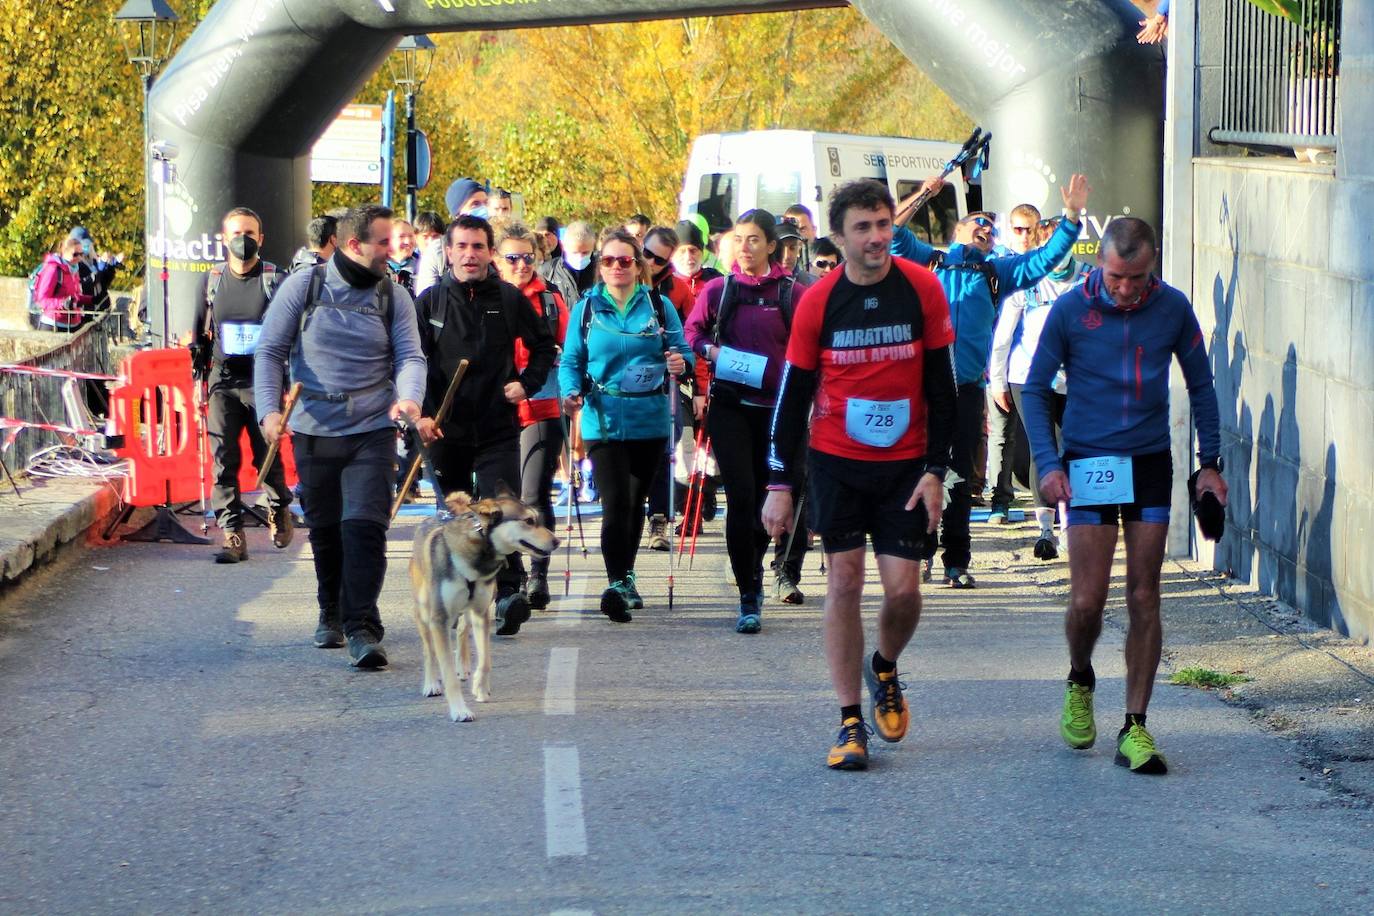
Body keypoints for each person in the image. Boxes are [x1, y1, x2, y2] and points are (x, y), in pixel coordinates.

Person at [763, 179, 957, 771]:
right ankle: (849, 721)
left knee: (904, 592)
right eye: (863, 228)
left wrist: (936, 471)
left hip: (904, 466)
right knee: (843, 584)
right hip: (837, 462)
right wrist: (778, 484)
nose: (877, 237)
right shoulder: (819, 301)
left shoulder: (922, 288)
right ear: (839, 238)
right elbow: (792, 397)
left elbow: (943, 388)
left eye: (883, 224)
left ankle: (885, 666)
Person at [1021, 217, 1225, 775]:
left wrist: (1210, 465)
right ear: (1100, 264)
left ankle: (1135, 725)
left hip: (1149, 462)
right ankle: (1081, 677)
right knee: (1087, 600)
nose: (1126, 289)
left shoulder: (1173, 309)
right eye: (1116, 276)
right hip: (1088, 463)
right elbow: (1035, 389)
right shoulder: (1070, 310)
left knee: (1144, 596)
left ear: (1153, 262)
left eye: (1137, 277)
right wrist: (1048, 463)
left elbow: (1202, 384)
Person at [891, 175, 1091, 589]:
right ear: (956, 232)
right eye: (976, 223)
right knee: (921, 472)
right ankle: (920, 553)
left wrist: (1071, 218)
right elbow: (892, 230)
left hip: (965, 389)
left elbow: (1045, 259)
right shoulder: (931, 260)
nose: (984, 229)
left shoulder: (998, 271)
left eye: (989, 228)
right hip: (924, 386)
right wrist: (927, 192)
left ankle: (956, 561)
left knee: (960, 476)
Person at [254, 204, 426, 668]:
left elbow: (412, 357)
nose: (394, 250)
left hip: (372, 427)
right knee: (327, 531)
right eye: (384, 243)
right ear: (354, 245)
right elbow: (269, 351)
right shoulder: (302, 286)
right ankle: (330, 607)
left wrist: (409, 400)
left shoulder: (395, 297)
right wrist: (269, 412)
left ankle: (362, 626)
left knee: (366, 527)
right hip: (313, 428)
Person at [413, 214, 557, 636]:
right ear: (449, 251)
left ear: (489, 253)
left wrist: (525, 385)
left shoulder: (509, 299)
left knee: (500, 510)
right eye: (462, 246)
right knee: (456, 519)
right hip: (444, 429)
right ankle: (456, 594)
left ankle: (509, 593)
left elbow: (545, 347)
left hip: (497, 426)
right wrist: (421, 413)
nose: (470, 255)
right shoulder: (429, 302)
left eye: (478, 247)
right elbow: (411, 361)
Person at [559, 228, 693, 622]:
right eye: (608, 261)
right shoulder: (586, 308)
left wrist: (677, 364)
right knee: (615, 502)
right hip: (602, 417)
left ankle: (627, 574)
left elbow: (682, 351)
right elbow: (571, 361)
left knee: (635, 504)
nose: (617, 267)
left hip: (648, 418)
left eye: (625, 260)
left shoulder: (657, 305)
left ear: (638, 266)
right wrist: (570, 392)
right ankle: (616, 581)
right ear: (600, 266)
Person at [685, 209, 809, 631]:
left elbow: (812, 345)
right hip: (731, 407)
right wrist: (713, 354)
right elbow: (693, 335)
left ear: (772, 246)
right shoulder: (719, 290)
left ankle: (758, 564)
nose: (745, 247)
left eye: (754, 239)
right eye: (739, 239)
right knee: (741, 497)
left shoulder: (792, 293)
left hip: (779, 411)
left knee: (765, 500)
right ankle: (748, 593)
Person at [190, 207, 293, 563]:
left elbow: (291, 332)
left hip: (262, 379)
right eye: (236, 233)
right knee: (223, 456)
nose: (243, 240)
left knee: (266, 451)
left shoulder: (275, 280)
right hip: (222, 378)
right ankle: (232, 534)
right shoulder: (212, 280)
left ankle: (279, 505)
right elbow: (198, 337)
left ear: (261, 239)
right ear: (223, 238)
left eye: (250, 233)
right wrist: (197, 379)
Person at [990, 217, 1091, 560]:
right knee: (1041, 449)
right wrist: (998, 381)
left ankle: (1070, 525)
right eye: (1049, 248)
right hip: (1028, 378)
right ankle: (1045, 531)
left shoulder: (1089, 278)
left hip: (1074, 380)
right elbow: (1003, 336)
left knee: (1072, 449)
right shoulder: (1027, 281)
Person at [494, 221, 569, 610]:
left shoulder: (550, 300)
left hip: (541, 404)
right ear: (497, 260)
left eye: (528, 257)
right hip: (496, 411)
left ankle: (538, 576)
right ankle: (514, 575)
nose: (521, 265)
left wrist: (560, 365)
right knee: (499, 498)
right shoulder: (489, 297)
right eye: (512, 258)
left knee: (533, 494)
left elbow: (570, 349)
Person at [642, 225, 711, 551]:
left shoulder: (677, 293)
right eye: (647, 255)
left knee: (665, 450)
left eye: (660, 258)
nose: (652, 262)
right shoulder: (611, 285)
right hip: (617, 389)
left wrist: (699, 387)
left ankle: (658, 518)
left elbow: (692, 344)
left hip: (665, 385)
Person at [983, 203, 1044, 524]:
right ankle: (999, 501)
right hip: (1000, 361)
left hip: (1036, 368)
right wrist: (993, 374)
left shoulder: (1044, 263)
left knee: (1041, 437)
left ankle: (1047, 503)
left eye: (1029, 229)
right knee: (1001, 434)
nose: (1023, 235)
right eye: (1017, 229)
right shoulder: (995, 264)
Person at [416, 178, 491, 295]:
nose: (484, 209)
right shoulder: (437, 251)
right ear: (458, 213)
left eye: (486, 203)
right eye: (475, 204)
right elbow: (425, 303)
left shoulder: (499, 244)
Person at [33, 237, 93, 331]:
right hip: (53, 325)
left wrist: (91, 300)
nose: (79, 258)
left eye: (81, 254)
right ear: (64, 252)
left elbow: (74, 297)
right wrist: (62, 303)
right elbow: (41, 300)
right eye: (75, 254)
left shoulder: (74, 269)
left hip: (73, 324)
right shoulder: (53, 269)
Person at [67, 227, 123, 324]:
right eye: (83, 244)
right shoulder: (74, 264)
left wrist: (110, 266)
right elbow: (84, 285)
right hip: (86, 312)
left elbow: (104, 283)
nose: (86, 247)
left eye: (88, 244)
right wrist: (100, 268)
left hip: (101, 308)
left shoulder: (93, 260)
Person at [535, 215, 580, 306]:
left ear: (556, 236)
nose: (544, 239)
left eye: (547, 234)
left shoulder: (569, 258)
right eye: (540, 235)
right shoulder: (532, 257)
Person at [562, 221, 599, 297]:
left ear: (593, 246)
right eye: (575, 252)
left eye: (585, 253)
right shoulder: (549, 272)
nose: (580, 257)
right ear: (564, 246)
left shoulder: (603, 271)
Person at [776, 219, 819, 285]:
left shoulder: (813, 285)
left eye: (792, 248)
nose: (787, 256)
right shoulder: (758, 286)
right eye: (780, 248)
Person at [387, 219, 421, 294]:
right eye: (401, 236)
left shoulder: (423, 268)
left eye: (411, 236)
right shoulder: (376, 269)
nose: (408, 241)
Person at [783, 203, 818, 270]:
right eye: (791, 229)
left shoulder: (828, 258)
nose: (796, 234)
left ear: (814, 230)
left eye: (802, 229)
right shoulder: (779, 261)